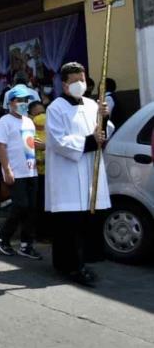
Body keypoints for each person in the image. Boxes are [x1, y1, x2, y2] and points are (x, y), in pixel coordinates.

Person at [45, 62, 113, 287]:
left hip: (89, 167)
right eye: (74, 81)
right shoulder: (56, 108)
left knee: (84, 221)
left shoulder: (93, 105)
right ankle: (71, 266)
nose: (79, 85)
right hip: (68, 175)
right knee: (69, 223)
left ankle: (80, 261)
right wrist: (90, 141)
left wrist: (105, 117)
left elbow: (104, 131)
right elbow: (58, 141)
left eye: (82, 80)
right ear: (64, 84)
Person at [0, 85, 40, 259]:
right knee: (20, 206)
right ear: (11, 102)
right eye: (19, 100)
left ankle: (27, 245)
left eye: (25, 100)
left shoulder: (28, 120)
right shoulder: (5, 121)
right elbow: (1, 146)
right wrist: (7, 169)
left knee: (31, 209)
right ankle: (2, 237)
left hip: (31, 170)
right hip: (15, 171)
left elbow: (30, 142)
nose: (23, 103)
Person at [29, 101, 49, 240]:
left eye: (43, 112)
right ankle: (38, 233)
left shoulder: (52, 129)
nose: (42, 116)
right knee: (37, 205)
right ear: (31, 116)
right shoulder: (28, 131)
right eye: (37, 114)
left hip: (51, 174)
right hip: (35, 175)